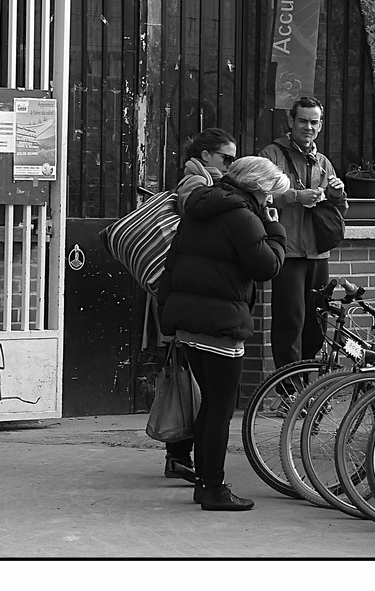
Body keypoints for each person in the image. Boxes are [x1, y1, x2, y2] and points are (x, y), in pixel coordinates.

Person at [158, 156, 289, 511]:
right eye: (270, 195)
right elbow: (266, 267)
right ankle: (213, 488)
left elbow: (172, 266)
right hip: (221, 325)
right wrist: (276, 231)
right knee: (219, 409)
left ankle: (205, 483)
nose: (270, 203)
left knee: (209, 406)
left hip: (189, 321)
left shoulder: (198, 209)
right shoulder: (244, 218)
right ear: (259, 189)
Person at [162, 128, 237, 485]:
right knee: (188, 382)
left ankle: (180, 455)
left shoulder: (204, 178)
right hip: (187, 291)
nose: (231, 164)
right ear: (206, 155)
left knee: (190, 380)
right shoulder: (194, 181)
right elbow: (196, 209)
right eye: (227, 157)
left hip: (185, 288)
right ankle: (178, 453)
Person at [259, 96, 347, 369]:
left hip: (318, 253)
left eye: (314, 122)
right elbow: (260, 195)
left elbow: (340, 209)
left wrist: (336, 193)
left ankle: (308, 388)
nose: (308, 127)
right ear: (291, 121)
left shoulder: (323, 161)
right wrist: (296, 197)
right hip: (288, 252)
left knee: (316, 322)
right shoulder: (270, 155)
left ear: (320, 126)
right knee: (290, 322)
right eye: (303, 121)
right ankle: (288, 389)